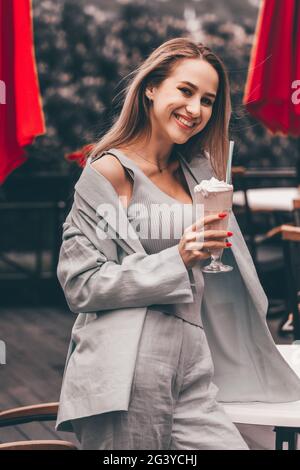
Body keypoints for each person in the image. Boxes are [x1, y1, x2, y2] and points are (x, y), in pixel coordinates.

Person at [55, 38, 300, 450]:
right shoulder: (110, 172)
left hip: (196, 364)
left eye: (207, 100)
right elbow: (81, 283)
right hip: (126, 366)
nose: (195, 109)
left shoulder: (199, 173)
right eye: (185, 91)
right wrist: (178, 258)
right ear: (151, 87)